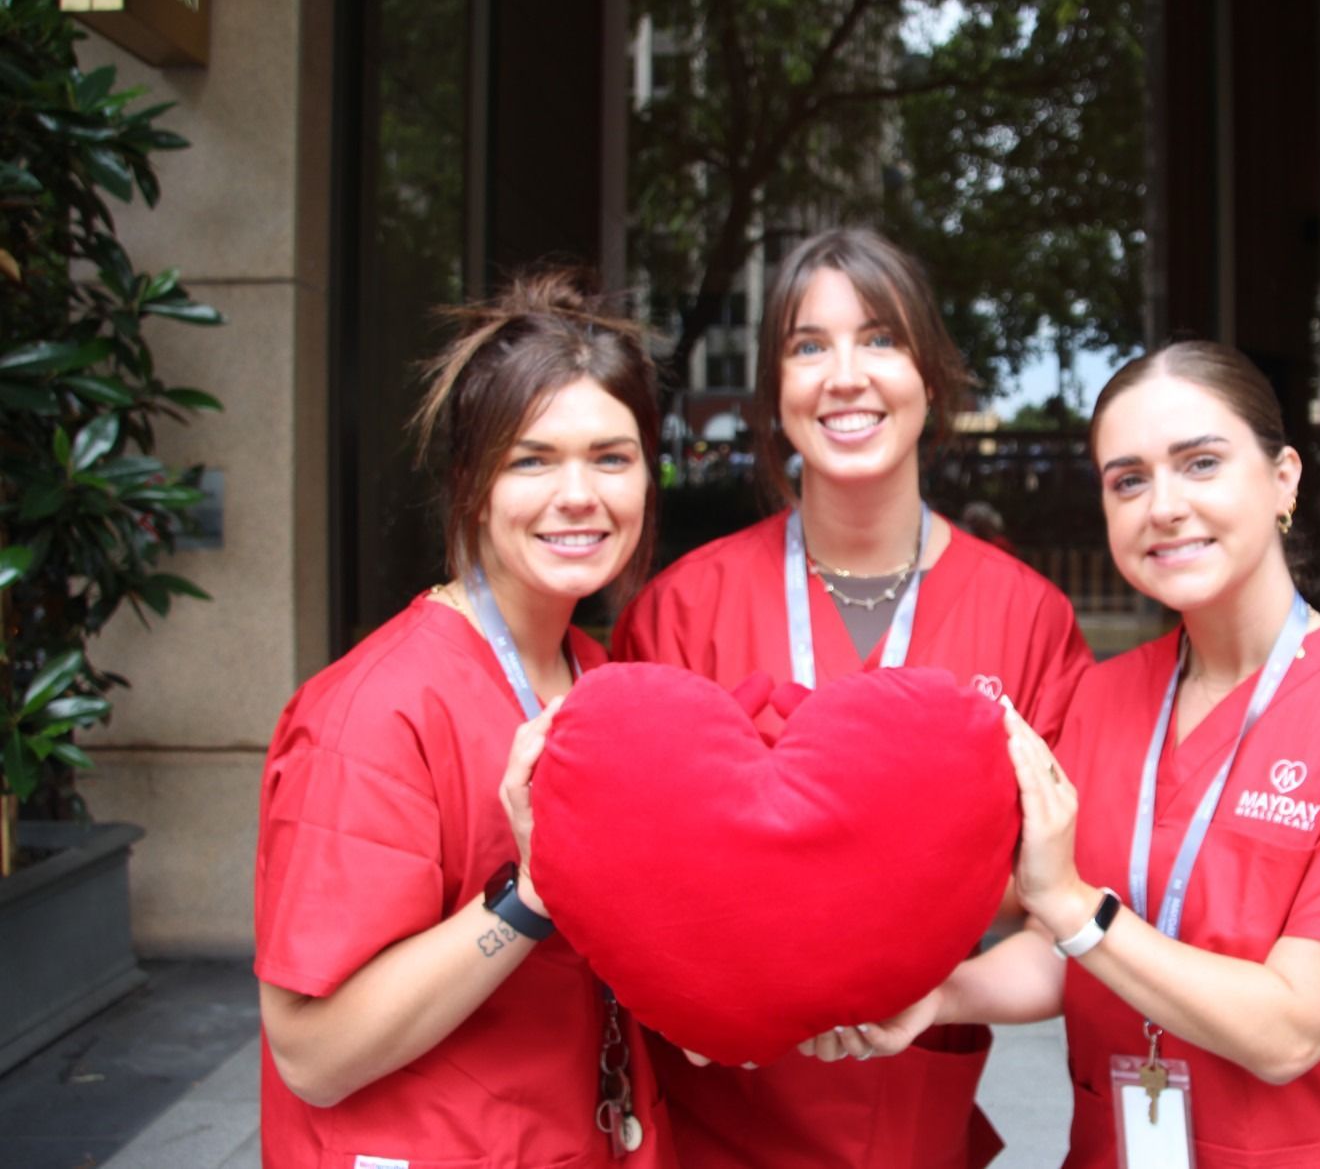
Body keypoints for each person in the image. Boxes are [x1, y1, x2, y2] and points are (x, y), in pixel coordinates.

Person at [823, 340, 1320, 1168]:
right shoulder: (1099, 701)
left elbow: (1290, 1028)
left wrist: (1072, 907)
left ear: (1283, 478)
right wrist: (943, 995)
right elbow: (1069, 955)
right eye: (1128, 479)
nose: (1162, 506)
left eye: (1200, 462)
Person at [611, 227, 1094, 1168]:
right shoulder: (682, 609)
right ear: (773, 391)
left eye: (880, 338)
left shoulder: (1026, 616)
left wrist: (941, 991)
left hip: (914, 1124)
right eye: (807, 345)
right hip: (717, 1120)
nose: (845, 375)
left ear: (931, 374)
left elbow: (1067, 903)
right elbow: (633, 877)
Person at [253, 270, 676, 1168]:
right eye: (532, 459)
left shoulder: (601, 681)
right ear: (470, 483)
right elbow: (312, 1053)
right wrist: (532, 894)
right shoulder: (377, 709)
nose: (579, 494)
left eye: (611, 455)